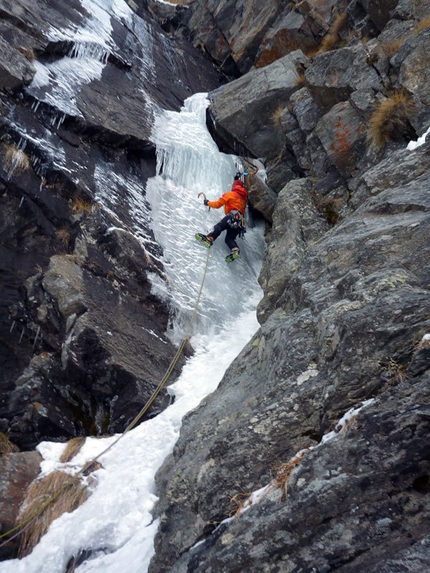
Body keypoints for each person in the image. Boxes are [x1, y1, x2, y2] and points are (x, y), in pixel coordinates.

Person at [195, 172, 248, 263]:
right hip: (239, 223)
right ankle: (235, 249)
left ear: (234, 187)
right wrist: (237, 179)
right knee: (229, 239)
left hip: (232, 216)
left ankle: (210, 238)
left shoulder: (231, 194)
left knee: (219, 227)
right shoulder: (243, 199)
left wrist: (207, 203)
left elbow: (218, 204)